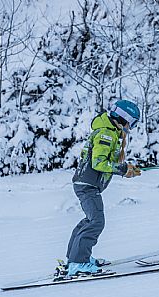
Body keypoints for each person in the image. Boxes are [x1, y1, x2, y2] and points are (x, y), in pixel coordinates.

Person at [64, 100, 142, 277]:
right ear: (123, 118)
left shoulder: (111, 132)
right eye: (132, 122)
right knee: (96, 222)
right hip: (87, 185)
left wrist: (127, 169)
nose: (131, 127)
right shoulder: (106, 134)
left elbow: (106, 163)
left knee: (90, 220)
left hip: (87, 185)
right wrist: (123, 169)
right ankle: (78, 263)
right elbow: (99, 163)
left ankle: (74, 259)